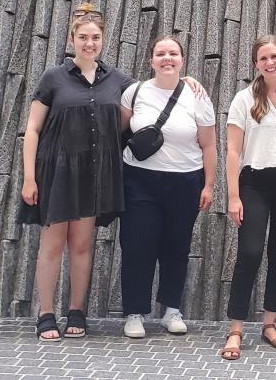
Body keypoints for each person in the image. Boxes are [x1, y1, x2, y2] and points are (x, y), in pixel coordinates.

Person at [18, 3, 132, 341]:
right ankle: (46, 313)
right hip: (56, 172)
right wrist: (29, 176)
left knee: (82, 245)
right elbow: (33, 129)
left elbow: (153, 92)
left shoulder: (118, 80)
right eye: (83, 37)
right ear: (72, 39)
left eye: (95, 37)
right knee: (52, 246)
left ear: (103, 40)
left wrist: (183, 79)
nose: (89, 43)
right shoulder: (53, 77)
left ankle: (77, 310)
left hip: (94, 174)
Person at [119, 34, 217, 339]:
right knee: (137, 244)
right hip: (139, 179)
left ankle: (172, 309)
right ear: (151, 61)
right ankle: (135, 312)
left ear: (182, 60)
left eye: (173, 54)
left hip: (185, 180)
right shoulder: (134, 93)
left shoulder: (197, 96)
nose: (167, 59)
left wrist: (209, 185)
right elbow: (120, 133)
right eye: (160, 53)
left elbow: (209, 144)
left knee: (176, 246)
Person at [220, 35, 276, 361]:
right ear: (256, 64)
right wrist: (233, 196)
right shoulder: (244, 99)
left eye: (274, 57)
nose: (270, 63)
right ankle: (236, 329)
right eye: (263, 59)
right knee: (250, 252)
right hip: (254, 183)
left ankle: (270, 324)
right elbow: (232, 150)